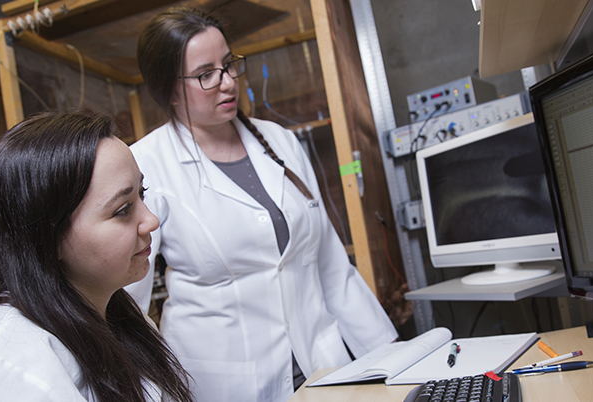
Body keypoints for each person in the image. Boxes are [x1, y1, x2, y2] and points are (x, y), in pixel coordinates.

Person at [125, 7, 398, 402]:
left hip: (321, 368)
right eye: (206, 74)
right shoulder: (147, 164)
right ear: (169, 89)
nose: (228, 82)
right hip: (223, 384)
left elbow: (331, 268)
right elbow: (127, 305)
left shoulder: (279, 142)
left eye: (230, 64)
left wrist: (391, 358)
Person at [0, 111, 193, 402]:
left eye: (142, 193)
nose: (151, 221)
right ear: (47, 237)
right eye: (122, 209)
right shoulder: (0, 362)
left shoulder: (119, 316)